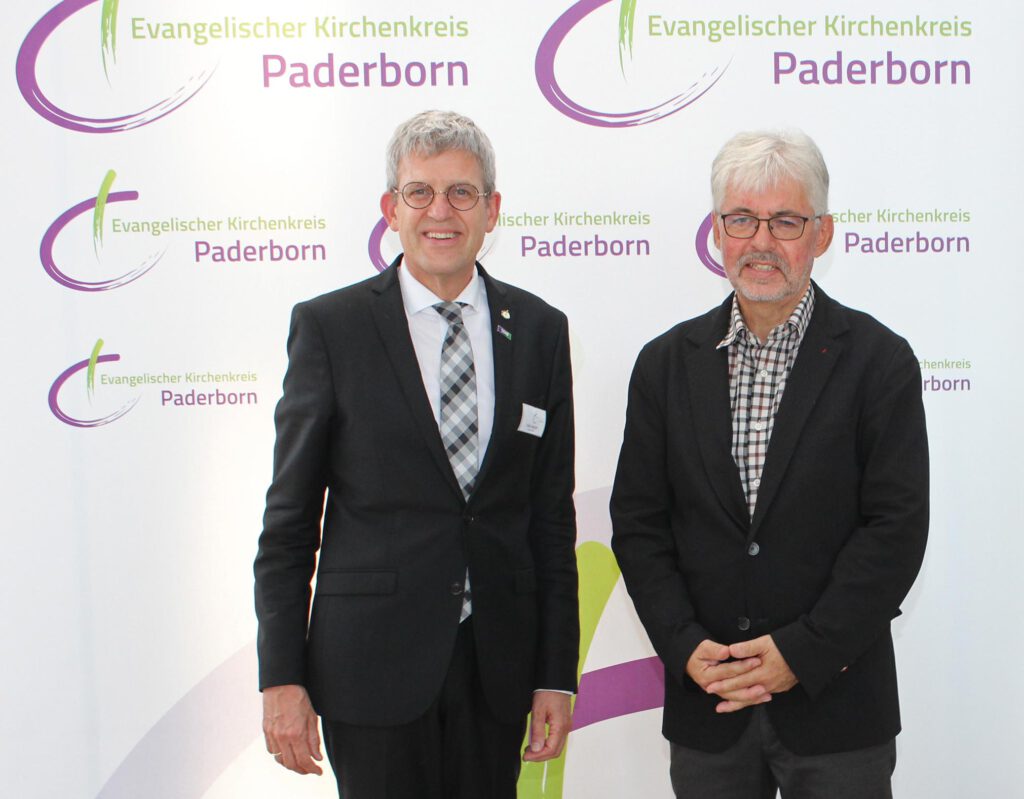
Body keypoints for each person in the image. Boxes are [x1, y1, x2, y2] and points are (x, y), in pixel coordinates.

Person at [254, 109, 579, 799]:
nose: (441, 211)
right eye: (420, 192)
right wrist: (281, 676)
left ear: (492, 210)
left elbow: (550, 519)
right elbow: (288, 523)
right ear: (389, 209)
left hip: (497, 669)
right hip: (368, 669)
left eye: (462, 192)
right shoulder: (330, 329)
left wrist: (555, 672)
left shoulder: (543, 331)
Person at [610, 129, 928, 798]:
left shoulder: (879, 361)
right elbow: (640, 524)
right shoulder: (665, 364)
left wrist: (800, 654)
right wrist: (684, 642)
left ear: (822, 233)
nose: (761, 241)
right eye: (741, 219)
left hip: (838, 710)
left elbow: (895, 530)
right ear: (717, 232)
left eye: (785, 221)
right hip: (709, 706)